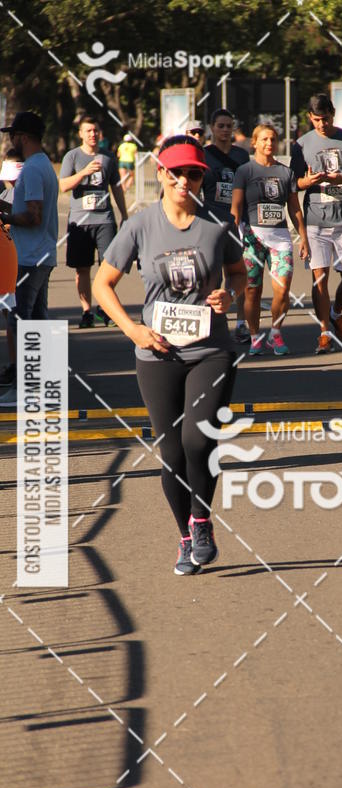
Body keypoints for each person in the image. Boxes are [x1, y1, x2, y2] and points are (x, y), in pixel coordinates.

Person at [93, 135, 246, 575]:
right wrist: (133, 330)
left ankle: (202, 521)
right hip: (157, 353)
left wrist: (227, 295)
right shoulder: (140, 226)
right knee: (172, 453)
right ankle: (185, 534)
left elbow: (239, 274)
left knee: (200, 441)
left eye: (193, 173)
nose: (184, 180)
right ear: (160, 173)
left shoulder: (217, 222)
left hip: (211, 351)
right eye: (176, 172)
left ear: (202, 177)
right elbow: (103, 284)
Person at [290, 93, 342, 353]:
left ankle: (336, 313)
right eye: (316, 120)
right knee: (319, 278)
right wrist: (309, 182)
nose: (321, 124)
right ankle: (324, 331)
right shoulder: (301, 144)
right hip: (315, 221)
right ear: (309, 118)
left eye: (324, 119)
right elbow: (294, 184)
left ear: (332, 114)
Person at [231, 123, 309, 356]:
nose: (269, 143)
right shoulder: (245, 171)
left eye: (273, 139)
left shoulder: (286, 173)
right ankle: (255, 336)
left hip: (280, 239)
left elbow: (295, 210)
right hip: (252, 238)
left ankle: (276, 333)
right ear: (254, 142)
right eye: (264, 139)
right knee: (252, 291)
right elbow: (236, 207)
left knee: (283, 290)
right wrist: (234, 235)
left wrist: (303, 238)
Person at [0, 112, 58, 407]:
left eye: (12, 135)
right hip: (41, 255)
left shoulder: (34, 169)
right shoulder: (44, 165)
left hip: (30, 257)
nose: (10, 140)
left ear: (23, 136)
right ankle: (45, 387)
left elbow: (33, 216)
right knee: (37, 320)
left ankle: (24, 389)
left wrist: (5, 215)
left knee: (20, 321)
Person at [59, 116, 128, 328]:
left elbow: (116, 187)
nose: (92, 134)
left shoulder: (108, 158)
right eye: (88, 130)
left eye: (95, 130)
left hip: (105, 220)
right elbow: (63, 186)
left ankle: (105, 309)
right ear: (81, 133)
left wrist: (124, 215)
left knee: (110, 266)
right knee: (82, 269)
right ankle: (87, 311)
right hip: (80, 222)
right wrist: (83, 173)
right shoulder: (72, 156)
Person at [203, 108, 251, 342]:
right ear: (211, 128)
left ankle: (241, 323)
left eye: (228, 126)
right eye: (220, 126)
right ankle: (211, 321)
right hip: (210, 221)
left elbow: (250, 189)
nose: (224, 130)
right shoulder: (204, 155)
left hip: (237, 221)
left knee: (240, 272)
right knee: (211, 272)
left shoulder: (241, 157)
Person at [0, 151, 20, 390]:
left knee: (15, 318)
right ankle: (15, 367)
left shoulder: (21, 194)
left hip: (17, 263)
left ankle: (19, 370)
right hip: (11, 265)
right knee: (11, 319)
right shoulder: (6, 194)